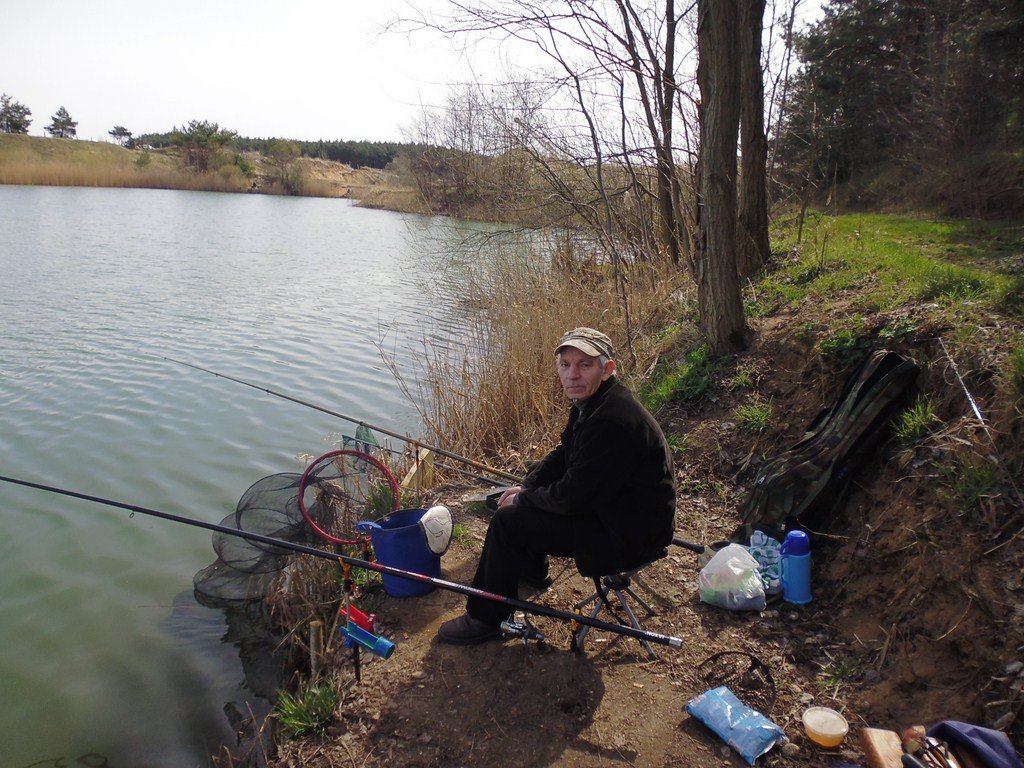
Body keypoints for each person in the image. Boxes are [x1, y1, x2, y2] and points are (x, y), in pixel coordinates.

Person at [437, 327, 676, 645]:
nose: (572, 374)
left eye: (584, 365)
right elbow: (565, 455)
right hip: (616, 510)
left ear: (607, 369)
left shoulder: (611, 421)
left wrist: (523, 501)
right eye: (565, 365)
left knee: (508, 521)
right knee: (533, 483)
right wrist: (526, 486)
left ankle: (486, 618)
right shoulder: (594, 400)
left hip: (630, 534)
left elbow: (572, 498)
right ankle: (533, 572)